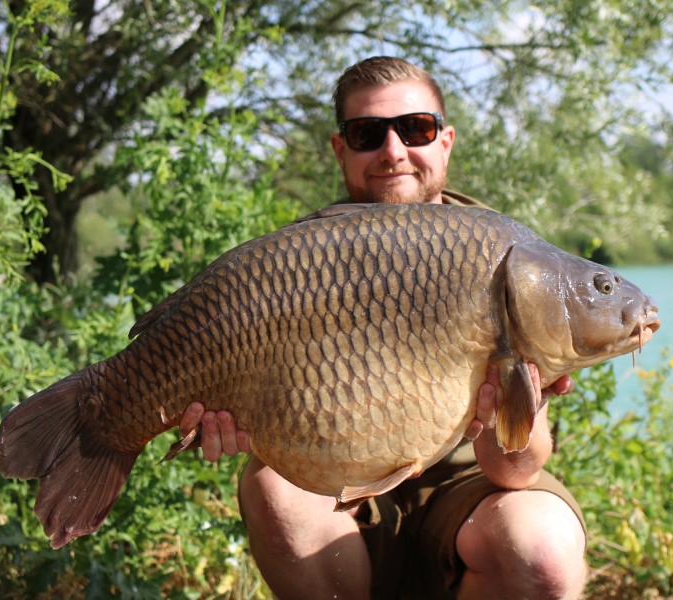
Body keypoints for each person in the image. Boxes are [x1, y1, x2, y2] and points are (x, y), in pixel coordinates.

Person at [179, 56, 588, 599]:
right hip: (336, 476)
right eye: (368, 133)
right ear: (340, 148)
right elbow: (263, 429)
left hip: (472, 489)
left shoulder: (505, 257)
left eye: (415, 128)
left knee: (544, 555)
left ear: (445, 141)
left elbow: (513, 472)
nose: (393, 151)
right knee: (273, 493)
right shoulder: (301, 259)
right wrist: (223, 417)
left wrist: (516, 406)